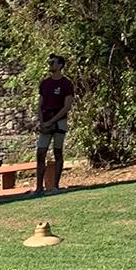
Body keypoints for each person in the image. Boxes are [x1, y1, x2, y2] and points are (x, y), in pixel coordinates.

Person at [34, 54, 78, 195]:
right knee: (41, 152)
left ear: (60, 65)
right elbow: (40, 104)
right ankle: (39, 188)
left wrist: (52, 121)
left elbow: (67, 106)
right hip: (46, 120)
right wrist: (42, 122)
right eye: (50, 62)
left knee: (57, 151)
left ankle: (55, 186)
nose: (50, 65)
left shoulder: (66, 84)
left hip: (59, 121)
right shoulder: (45, 83)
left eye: (53, 62)